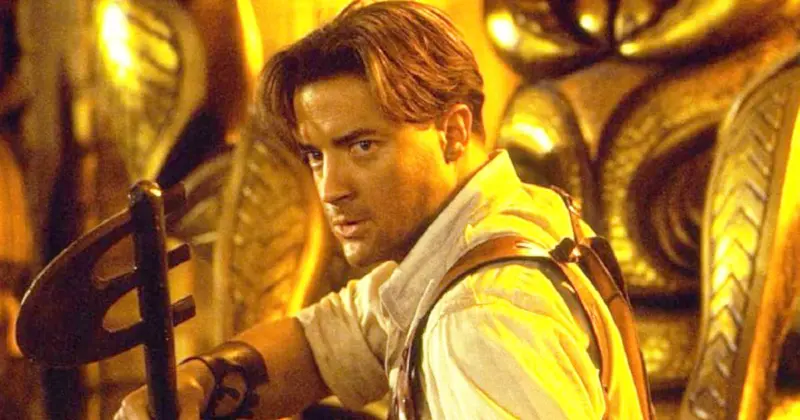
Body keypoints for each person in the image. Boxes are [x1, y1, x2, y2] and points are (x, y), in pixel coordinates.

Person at [116, 1, 642, 419]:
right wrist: (201, 378)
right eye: (316, 155)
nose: (330, 188)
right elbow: (323, 342)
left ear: (453, 133)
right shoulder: (498, 229)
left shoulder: (479, 318)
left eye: (362, 146)